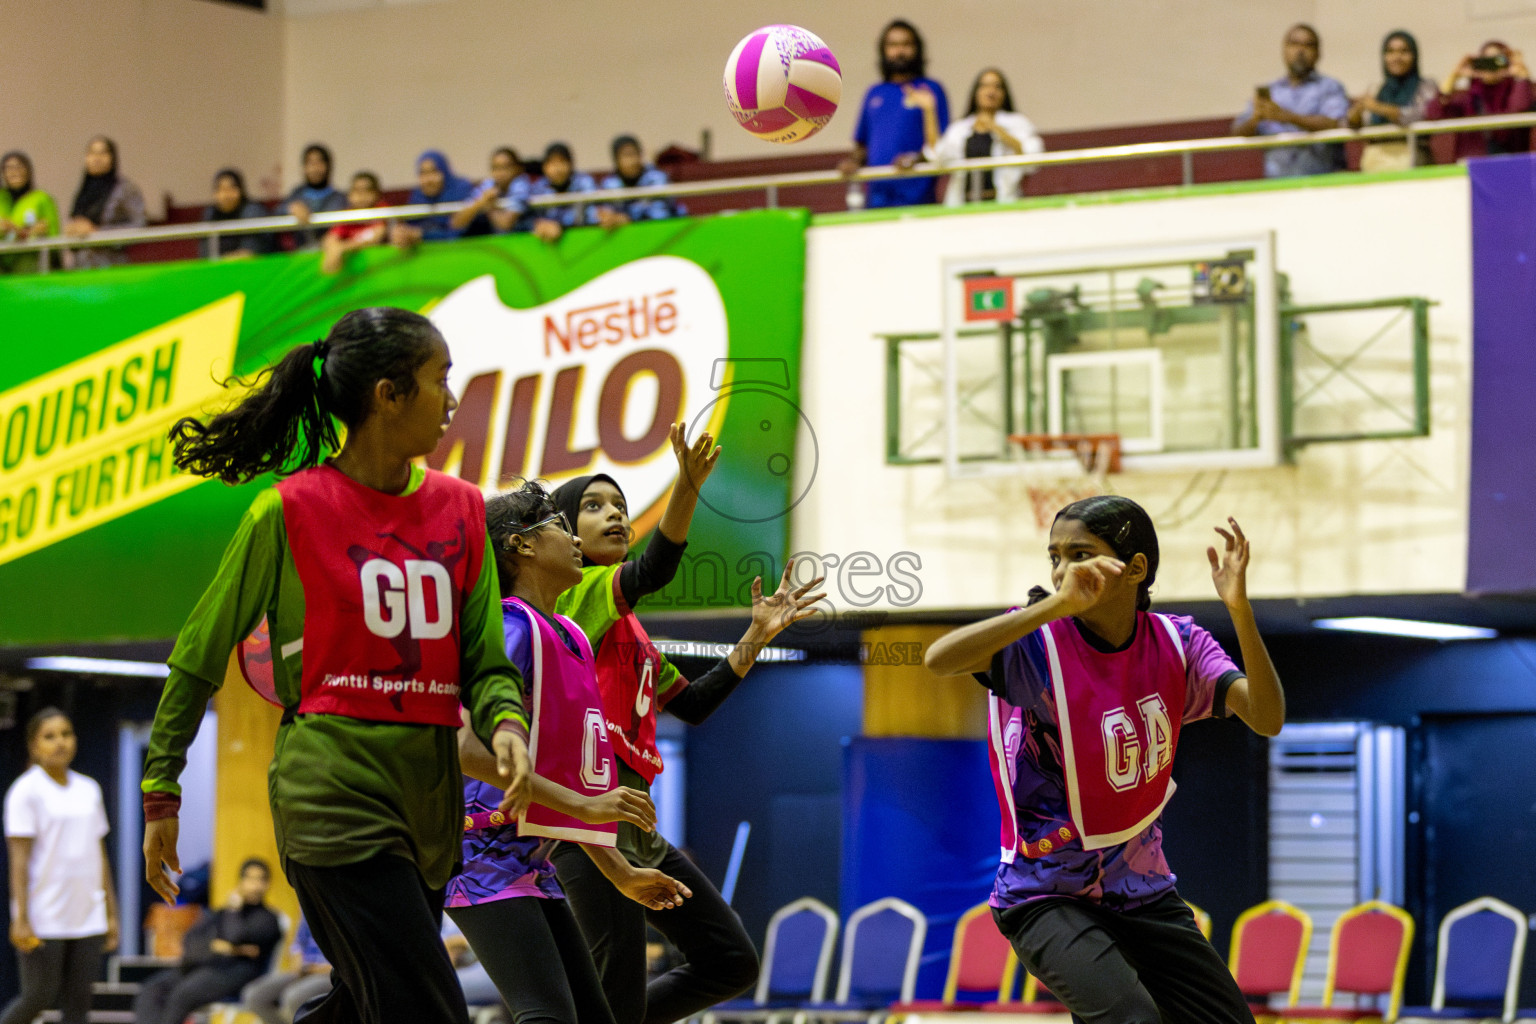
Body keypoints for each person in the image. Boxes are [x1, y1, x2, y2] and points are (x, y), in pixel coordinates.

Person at [142, 306, 534, 1024]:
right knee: (427, 1010)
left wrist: (506, 720)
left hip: (426, 806)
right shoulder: (286, 511)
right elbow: (198, 656)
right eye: (439, 380)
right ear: (389, 395)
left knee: (364, 1006)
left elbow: (483, 657)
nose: (452, 400)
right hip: (330, 797)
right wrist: (161, 789)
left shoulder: (462, 508)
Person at [924, 497, 1285, 1024]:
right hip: (1045, 893)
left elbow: (1267, 717)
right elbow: (939, 660)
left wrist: (1239, 609)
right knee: (1130, 1018)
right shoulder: (1036, 643)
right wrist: (1053, 606)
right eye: (1055, 557)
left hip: (1141, 889)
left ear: (1134, 568)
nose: (1063, 570)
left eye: (1080, 554)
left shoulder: (1179, 642)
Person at [548, 431, 828, 1024]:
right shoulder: (579, 595)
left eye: (620, 505)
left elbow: (693, 704)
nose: (614, 514)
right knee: (617, 991)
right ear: (565, 534)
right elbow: (655, 568)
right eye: (594, 506)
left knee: (729, 961)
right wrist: (688, 487)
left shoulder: (632, 632)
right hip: (589, 820)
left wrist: (754, 636)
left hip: (637, 823)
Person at [449, 479, 695, 1024]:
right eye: (561, 526)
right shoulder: (509, 627)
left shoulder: (570, 635)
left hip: (532, 862)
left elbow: (566, 781)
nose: (576, 538)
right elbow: (462, 746)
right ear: (522, 545)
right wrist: (582, 806)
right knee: (548, 1016)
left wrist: (620, 872)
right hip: (479, 854)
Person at [1, 708, 118, 1024]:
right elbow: (18, 861)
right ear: (33, 745)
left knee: (78, 1006)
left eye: (66, 734)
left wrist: (111, 912)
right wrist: (21, 917)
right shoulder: (25, 791)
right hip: (44, 915)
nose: (60, 742)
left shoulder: (89, 789)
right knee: (38, 996)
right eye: (49, 736)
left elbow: (99, 854)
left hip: (87, 914)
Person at [132, 859, 281, 1024]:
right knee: (152, 989)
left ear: (267, 884)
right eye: (250, 879)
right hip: (204, 966)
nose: (255, 886)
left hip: (236, 973)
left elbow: (234, 936)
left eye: (260, 880)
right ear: (241, 881)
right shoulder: (221, 913)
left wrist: (234, 910)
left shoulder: (268, 919)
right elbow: (191, 939)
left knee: (182, 994)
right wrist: (226, 948)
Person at [840, 20, 949, 208]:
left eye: (906, 44)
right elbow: (862, 145)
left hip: (919, 199)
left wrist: (915, 159)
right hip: (876, 200)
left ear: (917, 49)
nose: (900, 51)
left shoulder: (931, 89)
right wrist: (853, 162)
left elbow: (942, 145)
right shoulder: (874, 93)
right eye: (893, 45)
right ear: (884, 51)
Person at [1232, 24, 1350, 177]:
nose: (1300, 51)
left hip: (1322, 180)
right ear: (1284, 50)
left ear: (1318, 53)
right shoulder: (1272, 90)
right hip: (1277, 184)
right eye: (1294, 44)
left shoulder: (1330, 87)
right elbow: (1237, 132)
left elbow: (1335, 124)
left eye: (1308, 45)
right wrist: (1255, 119)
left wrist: (1286, 116)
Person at [923, 68, 1044, 205]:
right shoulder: (960, 128)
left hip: (1003, 204)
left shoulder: (1017, 123)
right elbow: (937, 155)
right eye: (984, 86)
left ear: (1004, 93)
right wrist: (929, 110)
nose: (991, 92)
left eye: (997, 87)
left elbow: (1031, 160)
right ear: (976, 92)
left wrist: (998, 130)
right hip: (964, 205)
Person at [1348, 31, 1440, 170]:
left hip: (1413, 158)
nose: (1397, 57)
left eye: (1404, 51)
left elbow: (1419, 115)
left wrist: (1378, 107)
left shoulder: (1426, 86)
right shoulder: (1377, 89)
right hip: (1375, 161)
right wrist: (1355, 115)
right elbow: (1360, 126)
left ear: (1414, 55)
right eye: (1390, 52)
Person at [1430, 41, 1534, 159]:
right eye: (1485, 61)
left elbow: (1519, 109)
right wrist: (1454, 76)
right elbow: (1433, 113)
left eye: (1497, 61)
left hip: (1512, 161)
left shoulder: (1517, 91)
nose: (1490, 67)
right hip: (1473, 162)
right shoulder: (1468, 98)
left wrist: (1521, 76)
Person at [62, 136, 146, 270]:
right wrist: (72, 229)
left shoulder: (125, 189)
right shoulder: (83, 191)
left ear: (112, 158)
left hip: (111, 267)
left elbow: (139, 225)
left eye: (103, 153)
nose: (97, 158)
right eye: (92, 153)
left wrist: (97, 232)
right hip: (81, 269)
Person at [239, 916, 331, 1024]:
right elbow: (298, 944)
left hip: (330, 973)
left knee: (293, 997)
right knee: (253, 996)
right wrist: (299, 964)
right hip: (304, 969)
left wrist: (316, 969)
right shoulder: (309, 912)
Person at [392, 150, 475, 247]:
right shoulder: (418, 196)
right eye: (423, 173)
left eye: (434, 171)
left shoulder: (461, 190)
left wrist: (421, 235)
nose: (428, 180)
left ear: (444, 172)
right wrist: (402, 235)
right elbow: (410, 227)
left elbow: (456, 233)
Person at [597, 136, 683, 228]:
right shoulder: (610, 184)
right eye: (626, 155)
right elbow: (604, 212)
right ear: (616, 160)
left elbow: (660, 214)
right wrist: (608, 218)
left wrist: (628, 218)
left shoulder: (656, 178)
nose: (633, 161)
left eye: (635, 154)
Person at [522, 143, 597, 243]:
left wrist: (560, 227)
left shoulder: (584, 183)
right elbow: (526, 219)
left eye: (562, 161)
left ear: (571, 164)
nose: (557, 168)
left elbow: (593, 214)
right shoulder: (537, 189)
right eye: (552, 163)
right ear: (544, 167)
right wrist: (538, 224)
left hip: (583, 238)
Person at [0, 151, 60, 274]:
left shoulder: (42, 198)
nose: (14, 172)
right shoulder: (1, 198)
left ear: (28, 170)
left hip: (31, 267)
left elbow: (54, 234)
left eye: (19, 166)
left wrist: (30, 232)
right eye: (9, 168)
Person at [320, 171, 388, 275]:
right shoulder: (349, 215)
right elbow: (330, 238)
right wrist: (332, 250)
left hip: (380, 269)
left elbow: (376, 237)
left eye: (367, 190)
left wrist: (342, 248)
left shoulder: (382, 210)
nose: (362, 196)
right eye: (357, 190)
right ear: (350, 195)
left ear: (377, 193)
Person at [451, 147, 528, 237]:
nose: (500, 173)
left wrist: (488, 207)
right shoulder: (488, 184)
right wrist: (481, 202)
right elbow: (456, 223)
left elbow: (505, 225)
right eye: (495, 168)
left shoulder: (521, 185)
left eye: (505, 167)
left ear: (517, 169)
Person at [202, 169, 276, 260]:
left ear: (241, 190)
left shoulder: (253, 211)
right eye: (221, 189)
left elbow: (250, 252)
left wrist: (225, 260)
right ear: (215, 194)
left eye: (231, 188)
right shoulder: (211, 213)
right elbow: (206, 253)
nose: (226, 195)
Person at [285, 144, 347, 248]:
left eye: (319, 162)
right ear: (304, 167)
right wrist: (291, 208)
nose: (315, 168)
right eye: (310, 163)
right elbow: (278, 211)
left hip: (328, 250)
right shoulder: (296, 195)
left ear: (328, 166)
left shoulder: (339, 198)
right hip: (300, 253)